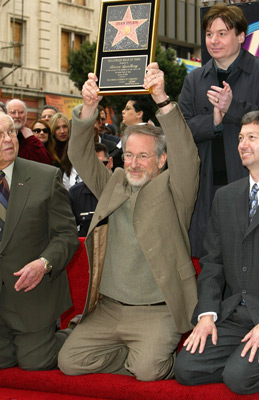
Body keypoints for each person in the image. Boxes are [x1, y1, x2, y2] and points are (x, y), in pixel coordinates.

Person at [58, 62, 200, 381]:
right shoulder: (114, 183)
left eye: (144, 156)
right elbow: (80, 156)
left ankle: (140, 357)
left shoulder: (175, 188)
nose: (134, 164)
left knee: (148, 371)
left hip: (156, 310)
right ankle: (127, 355)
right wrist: (88, 110)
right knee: (70, 361)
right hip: (108, 309)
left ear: (162, 160)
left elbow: (187, 156)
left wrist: (163, 100)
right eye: (129, 155)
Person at [174, 110, 259, 394]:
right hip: (234, 314)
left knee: (238, 379)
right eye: (240, 138)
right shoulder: (226, 197)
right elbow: (212, 263)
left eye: (252, 138)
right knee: (186, 369)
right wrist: (207, 314)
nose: (242, 145)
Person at [178, 3, 259, 258]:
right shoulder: (195, 79)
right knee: (210, 262)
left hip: (249, 186)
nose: (214, 40)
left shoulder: (257, 72)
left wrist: (231, 107)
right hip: (206, 189)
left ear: (240, 36)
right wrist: (213, 121)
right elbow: (179, 130)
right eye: (209, 34)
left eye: (222, 33)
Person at [0, 112, 79, 370]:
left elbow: (67, 236)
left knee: (35, 362)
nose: (8, 140)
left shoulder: (45, 177)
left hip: (32, 295)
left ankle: (82, 333)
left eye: (11, 132)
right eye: (0, 135)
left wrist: (44, 264)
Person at [69, 143, 113, 237]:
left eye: (101, 164)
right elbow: (67, 230)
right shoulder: (75, 193)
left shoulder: (124, 189)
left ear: (111, 162)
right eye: (91, 165)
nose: (97, 169)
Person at [6, 99, 53, 165]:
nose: (17, 116)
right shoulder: (2, 134)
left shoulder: (30, 138)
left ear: (26, 115)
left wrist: (31, 139)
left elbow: (45, 162)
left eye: (21, 112)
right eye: (13, 112)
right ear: (6, 114)